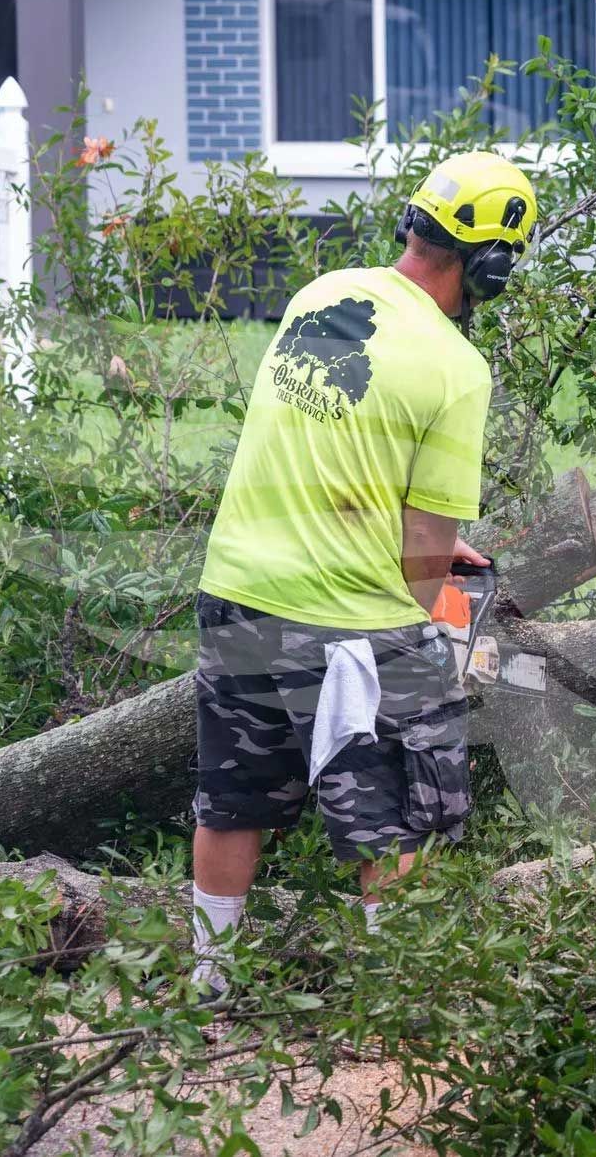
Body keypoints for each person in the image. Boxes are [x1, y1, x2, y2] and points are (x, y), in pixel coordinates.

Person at [186, 152, 537, 994]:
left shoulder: (323, 293)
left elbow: (326, 453)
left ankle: (209, 985)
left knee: (230, 799)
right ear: (490, 266)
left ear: (412, 225)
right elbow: (423, 572)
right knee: (401, 813)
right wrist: (452, 621)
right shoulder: (458, 371)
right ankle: (399, 998)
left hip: (236, 592)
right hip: (353, 625)